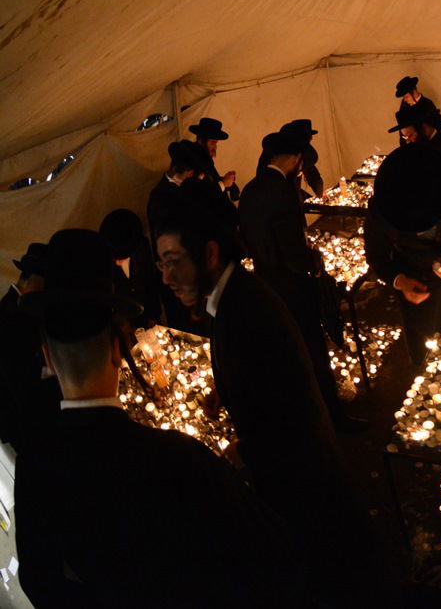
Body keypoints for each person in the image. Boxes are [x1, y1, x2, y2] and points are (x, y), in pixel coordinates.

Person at [16, 228, 300, 608]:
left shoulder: (36, 468)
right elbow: (271, 556)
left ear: (48, 357)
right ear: (119, 349)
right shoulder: (179, 456)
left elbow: (41, 584)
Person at [154, 212, 374, 604]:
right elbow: (264, 370)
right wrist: (227, 387)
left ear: (208, 253)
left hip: (302, 475)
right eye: (161, 265)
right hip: (306, 468)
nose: (166, 279)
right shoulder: (234, 293)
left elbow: (283, 412)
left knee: (328, 576)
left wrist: (241, 452)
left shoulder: (244, 310)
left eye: (173, 262)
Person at [238, 131, 365, 433]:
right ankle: (334, 421)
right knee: (314, 355)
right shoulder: (282, 193)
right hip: (293, 288)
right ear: (297, 159)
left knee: (287, 354)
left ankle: (299, 416)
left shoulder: (251, 189)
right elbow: (293, 253)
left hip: (266, 284)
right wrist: (315, 267)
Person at [364, 142, 441, 364]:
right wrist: (400, 281)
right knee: (424, 356)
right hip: (416, 289)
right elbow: (375, 254)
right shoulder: (381, 207)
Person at [0, 243, 60, 453]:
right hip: (26, 426)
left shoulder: (21, 311)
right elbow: (21, 383)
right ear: (33, 282)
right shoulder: (10, 319)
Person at [99, 208, 162, 329]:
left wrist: (153, 315)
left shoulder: (142, 246)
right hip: (124, 324)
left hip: (148, 316)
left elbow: (149, 281)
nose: (117, 262)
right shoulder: (102, 262)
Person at [188, 117, 238, 201]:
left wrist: (225, 179)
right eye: (212, 143)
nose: (215, 147)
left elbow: (210, 181)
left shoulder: (204, 158)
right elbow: (199, 193)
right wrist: (223, 183)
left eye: (216, 143)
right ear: (201, 140)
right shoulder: (191, 158)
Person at [279, 118, 325, 198]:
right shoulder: (282, 156)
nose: (311, 139)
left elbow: (314, 177)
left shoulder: (306, 154)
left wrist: (320, 197)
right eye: (308, 137)